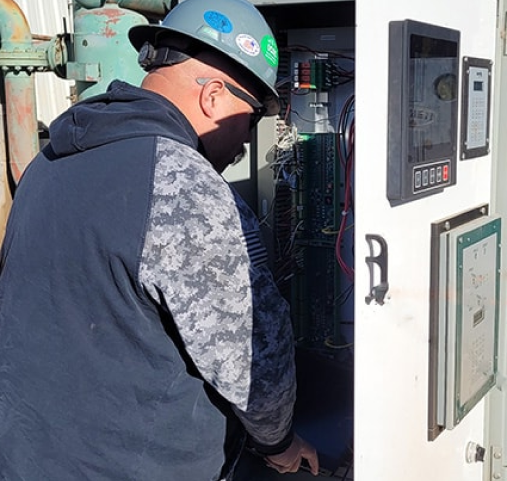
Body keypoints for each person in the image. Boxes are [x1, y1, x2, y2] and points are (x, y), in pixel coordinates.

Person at [0, 0, 319, 480]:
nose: (247, 140)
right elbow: (255, 362)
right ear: (214, 96)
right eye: (252, 117)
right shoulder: (185, 186)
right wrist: (279, 442)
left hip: (28, 457)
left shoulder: (46, 164)